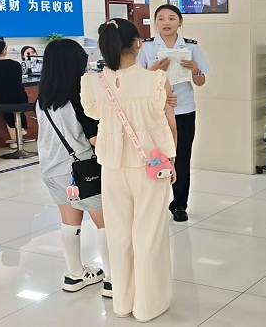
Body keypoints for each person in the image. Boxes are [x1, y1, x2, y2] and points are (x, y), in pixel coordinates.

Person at [81, 18, 177, 322]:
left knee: (119, 233)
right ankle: (148, 305)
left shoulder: (91, 82)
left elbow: (93, 113)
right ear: (137, 43)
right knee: (149, 231)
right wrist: (172, 159)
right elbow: (169, 123)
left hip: (111, 165)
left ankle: (123, 302)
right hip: (150, 164)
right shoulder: (156, 80)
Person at [35, 38, 111, 296]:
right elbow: (94, 138)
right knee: (105, 223)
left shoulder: (43, 98)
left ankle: (75, 274)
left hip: (51, 169)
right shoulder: (79, 97)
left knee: (70, 222)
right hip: (81, 170)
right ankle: (113, 279)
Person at [137, 4, 209, 222]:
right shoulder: (146, 47)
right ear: (155, 22)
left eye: (171, 18)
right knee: (154, 157)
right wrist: (152, 70)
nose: (166, 23)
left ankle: (179, 204)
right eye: (161, 19)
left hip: (184, 109)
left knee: (182, 157)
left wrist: (195, 69)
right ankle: (154, 204)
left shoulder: (191, 47)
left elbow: (201, 81)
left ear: (180, 22)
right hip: (155, 111)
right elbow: (137, 80)